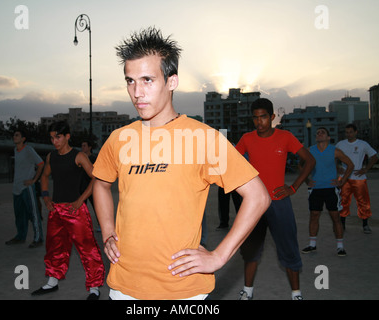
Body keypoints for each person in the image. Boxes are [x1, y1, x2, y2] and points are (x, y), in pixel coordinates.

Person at [92, 27, 270, 300]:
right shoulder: (119, 138)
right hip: (123, 286)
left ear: (172, 81)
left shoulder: (202, 138)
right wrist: (107, 233)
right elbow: (101, 184)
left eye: (147, 80)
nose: (137, 92)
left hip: (182, 290)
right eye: (130, 81)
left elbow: (258, 197)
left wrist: (219, 256)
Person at [235, 98, 316, 300]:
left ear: (272, 117)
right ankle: (248, 292)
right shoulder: (247, 138)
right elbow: (232, 164)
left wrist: (294, 187)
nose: (259, 122)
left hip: (279, 203)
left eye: (263, 117)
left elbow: (309, 160)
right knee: (251, 251)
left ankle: (296, 294)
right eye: (255, 118)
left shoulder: (285, 137)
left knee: (289, 249)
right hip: (255, 204)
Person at [31, 121, 105, 300]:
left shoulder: (78, 156)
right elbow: (45, 176)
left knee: (87, 249)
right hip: (56, 210)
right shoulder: (51, 157)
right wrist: (46, 197)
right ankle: (52, 282)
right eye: (52, 138)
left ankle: (94, 288)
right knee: (54, 248)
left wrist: (81, 199)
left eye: (58, 137)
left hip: (75, 211)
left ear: (67, 137)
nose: (54, 141)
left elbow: (96, 177)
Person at [301, 127, 354, 256]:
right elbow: (300, 165)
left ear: (328, 137)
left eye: (322, 132)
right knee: (314, 215)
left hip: (331, 188)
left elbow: (350, 165)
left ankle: (340, 246)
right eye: (317, 133)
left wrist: (342, 181)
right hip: (315, 189)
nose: (319, 134)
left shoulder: (335, 151)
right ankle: (312, 244)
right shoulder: (310, 150)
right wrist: (307, 181)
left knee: (335, 217)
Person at [336, 124, 378, 234]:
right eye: (346, 132)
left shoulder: (363, 144)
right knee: (342, 201)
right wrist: (337, 167)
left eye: (350, 132)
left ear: (356, 132)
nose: (348, 134)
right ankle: (342, 225)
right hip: (344, 176)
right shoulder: (341, 144)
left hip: (358, 177)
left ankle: (365, 224)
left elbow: (374, 157)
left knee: (363, 201)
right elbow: (332, 157)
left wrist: (366, 169)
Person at [5, 130, 44, 248]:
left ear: (23, 139)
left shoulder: (28, 150)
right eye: (14, 135)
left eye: (17, 135)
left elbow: (41, 164)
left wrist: (33, 180)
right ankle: (20, 237)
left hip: (27, 188)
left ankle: (38, 238)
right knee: (19, 215)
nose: (14, 137)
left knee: (33, 214)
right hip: (16, 188)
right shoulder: (15, 150)